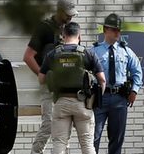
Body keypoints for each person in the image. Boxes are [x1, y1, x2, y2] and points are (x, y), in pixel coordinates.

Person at [38, 22, 106, 154]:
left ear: (63, 36)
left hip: (60, 103)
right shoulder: (88, 54)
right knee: (87, 144)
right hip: (84, 104)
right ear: (79, 36)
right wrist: (96, 100)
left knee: (59, 143)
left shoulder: (53, 54)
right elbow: (102, 80)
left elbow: (41, 78)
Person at [24, 0, 79, 154]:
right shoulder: (44, 28)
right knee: (48, 124)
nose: (71, 18)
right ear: (59, 11)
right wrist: (44, 75)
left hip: (67, 87)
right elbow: (28, 57)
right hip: (49, 86)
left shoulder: (70, 29)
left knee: (65, 124)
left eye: (72, 15)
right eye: (68, 14)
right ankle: (36, 152)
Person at [92, 13, 143, 154]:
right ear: (105, 30)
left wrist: (134, 91)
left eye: (119, 30)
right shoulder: (94, 51)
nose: (117, 33)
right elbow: (85, 73)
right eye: (114, 29)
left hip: (119, 99)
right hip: (99, 98)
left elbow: (137, 71)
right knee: (93, 137)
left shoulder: (126, 51)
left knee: (117, 138)